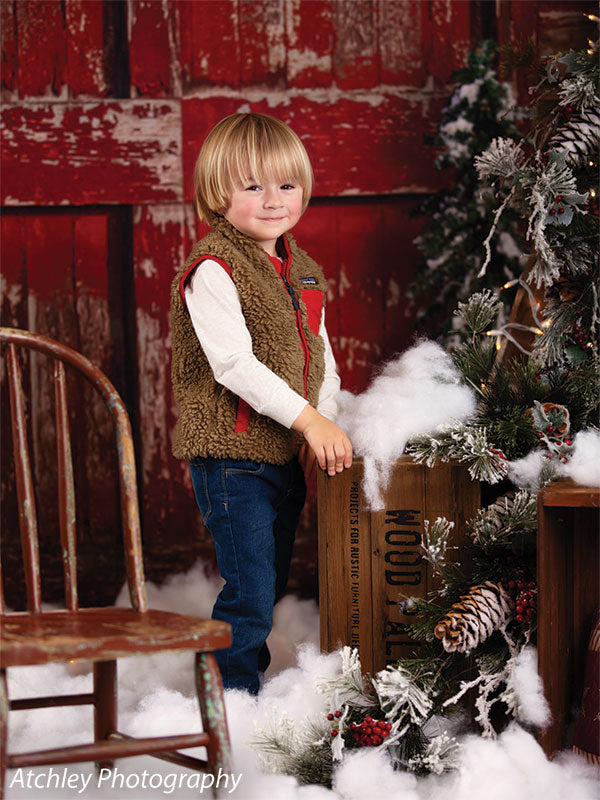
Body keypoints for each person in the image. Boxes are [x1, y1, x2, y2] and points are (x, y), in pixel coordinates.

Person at [170, 112, 352, 694]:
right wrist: (309, 421)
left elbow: (319, 359)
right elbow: (234, 364)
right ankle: (232, 703)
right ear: (218, 195)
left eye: (286, 184)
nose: (273, 200)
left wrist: (324, 421)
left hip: (281, 457)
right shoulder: (213, 269)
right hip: (233, 458)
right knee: (248, 591)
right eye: (253, 186)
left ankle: (242, 685)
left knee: (267, 584)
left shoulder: (304, 271)